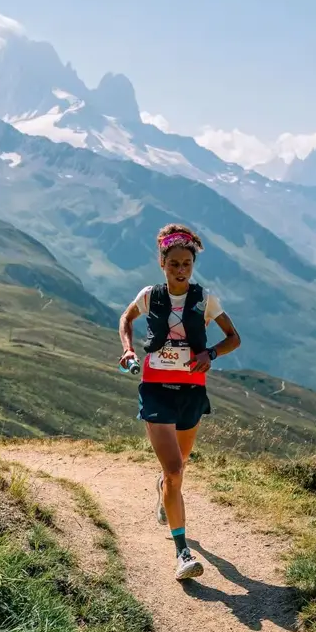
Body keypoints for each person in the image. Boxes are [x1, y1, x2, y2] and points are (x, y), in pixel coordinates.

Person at [118, 223, 241, 581]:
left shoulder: (205, 299)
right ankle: (182, 553)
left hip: (191, 392)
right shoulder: (149, 296)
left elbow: (233, 337)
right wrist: (127, 349)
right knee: (173, 469)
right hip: (156, 390)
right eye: (174, 263)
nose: (181, 269)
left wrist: (212, 353)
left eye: (187, 263)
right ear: (162, 263)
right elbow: (126, 318)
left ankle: (164, 492)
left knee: (178, 469)